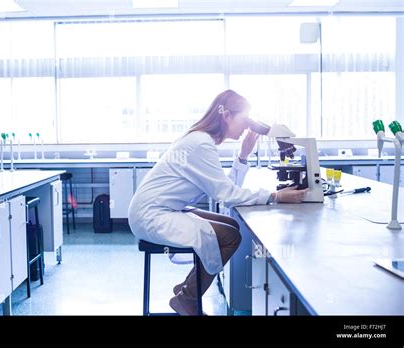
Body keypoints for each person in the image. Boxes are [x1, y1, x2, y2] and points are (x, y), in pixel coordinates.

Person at [128, 89, 308, 315]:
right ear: (227, 116)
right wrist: (275, 196)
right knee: (231, 236)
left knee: (231, 225)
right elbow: (226, 194)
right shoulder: (201, 144)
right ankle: (188, 297)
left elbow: (223, 187)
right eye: (244, 120)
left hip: (162, 209)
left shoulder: (201, 140)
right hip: (151, 216)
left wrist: (243, 156)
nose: (246, 127)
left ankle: (189, 287)